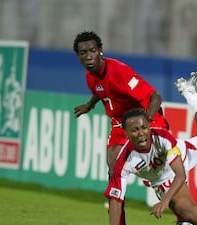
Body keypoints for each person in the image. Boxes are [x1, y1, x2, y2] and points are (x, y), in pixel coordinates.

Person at [72, 31, 169, 223]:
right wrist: (90, 105)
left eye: (93, 51)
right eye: (83, 53)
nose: (89, 56)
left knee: (161, 174)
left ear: (101, 51)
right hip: (120, 123)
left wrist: (146, 124)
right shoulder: (90, 77)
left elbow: (155, 97)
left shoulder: (120, 72)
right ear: (79, 56)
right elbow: (101, 90)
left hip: (145, 119)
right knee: (113, 170)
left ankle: (183, 213)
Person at [105, 71, 197, 225]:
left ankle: (190, 92)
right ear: (126, 134)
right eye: (134, 130)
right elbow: (116, 202)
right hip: (164, 179)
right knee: (192, 215)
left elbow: (180, 174)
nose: (141, 134)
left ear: (149, 127)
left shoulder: (161, 137)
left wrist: (164, 202)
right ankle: (184, 221)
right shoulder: (124, 161)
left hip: (182, 154)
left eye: (144, 128)